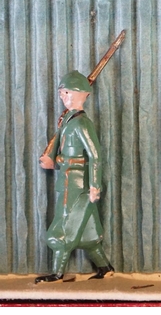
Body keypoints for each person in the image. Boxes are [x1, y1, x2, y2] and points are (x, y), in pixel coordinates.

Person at [36, 70, 114, 283]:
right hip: (68, 181)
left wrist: (95, 185)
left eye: (68, 92)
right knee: (88, 233)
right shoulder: (68, 121)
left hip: (77, 186)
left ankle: (57, 273)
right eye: (62, 93)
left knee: (63, 228)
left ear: (82, 94)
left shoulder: (81, 123)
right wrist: (53, 161)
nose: (63, 96)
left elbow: (95, 155)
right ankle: (105, 267)